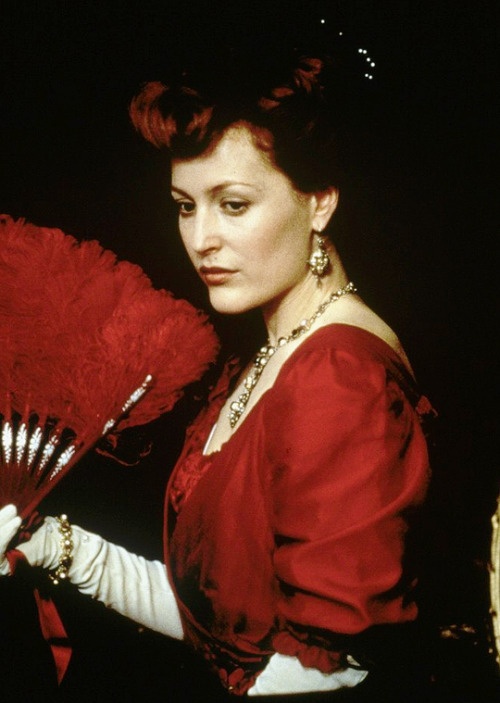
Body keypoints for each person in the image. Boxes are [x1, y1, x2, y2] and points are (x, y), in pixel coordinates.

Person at [0, 55, 434, 699]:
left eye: (233, 205)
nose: (201, 238)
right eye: (185, 206)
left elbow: (331, 669)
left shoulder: (340, 375)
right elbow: (220, 620)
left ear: (320, 203)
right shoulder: (269, 355)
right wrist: (54, 547)